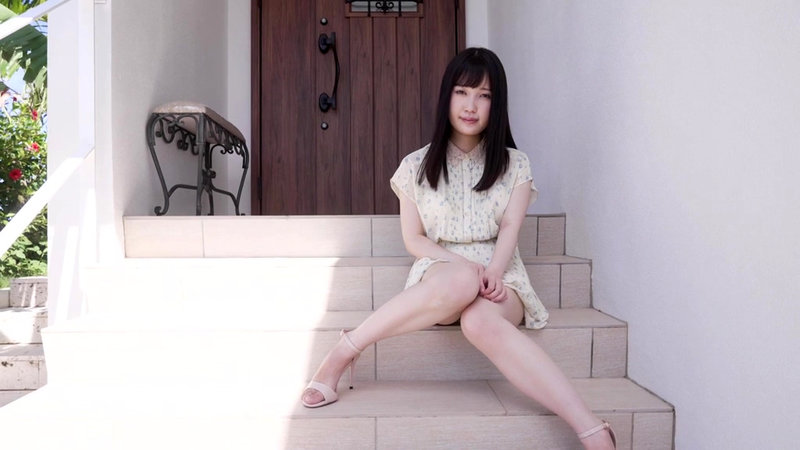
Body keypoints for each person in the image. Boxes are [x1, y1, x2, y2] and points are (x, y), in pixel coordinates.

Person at [301, 47, 616, 450]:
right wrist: (465, 266)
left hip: (502, 274)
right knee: (459, 281)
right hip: (441, 270)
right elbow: (415, 240)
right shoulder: (414, 166)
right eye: (463, 92)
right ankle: (344, 351)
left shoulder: (515, 164)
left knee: (479, 323)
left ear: (496, 105)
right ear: (446, 96)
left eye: (484, 96)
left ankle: (592, 430)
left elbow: (510, 226)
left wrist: (494, 271)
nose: (471, 105)